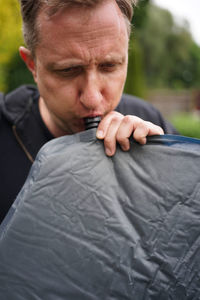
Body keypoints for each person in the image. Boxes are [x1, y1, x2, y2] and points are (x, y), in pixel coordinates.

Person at [0, 0, 177, 224]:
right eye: (68, 70)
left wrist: (166, 169)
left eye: (109, 66)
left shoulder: (150, 123)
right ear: (32, 65)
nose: (92, 98)